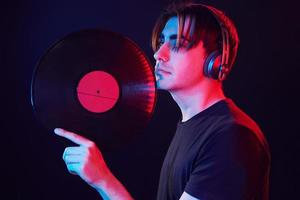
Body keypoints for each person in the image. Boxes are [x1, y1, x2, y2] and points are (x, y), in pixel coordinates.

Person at [54, 1, 271, 200]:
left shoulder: (232, 137)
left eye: (177, 43)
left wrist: (103, 181)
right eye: (161, 42)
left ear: (215, 61)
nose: (159, 54)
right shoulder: (195, 127)